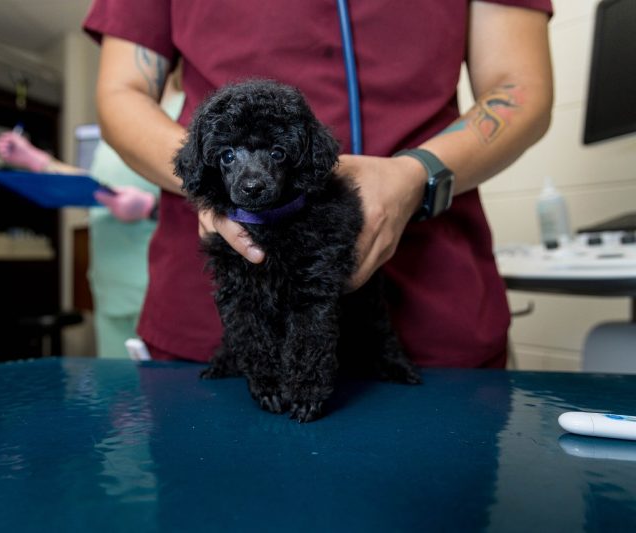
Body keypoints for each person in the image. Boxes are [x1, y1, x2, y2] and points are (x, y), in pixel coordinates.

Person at [83, 1, 554, 368]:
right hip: (214, 314)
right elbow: (122, 92)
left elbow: (519, 86)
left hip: (436, 307)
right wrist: (212, 180)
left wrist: (417, 174)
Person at [0, 71, 184, 358]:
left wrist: (150, 208)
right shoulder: (118, 115)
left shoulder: (186, 106)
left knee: (165, 393)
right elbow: (98, 182)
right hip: (110, 285)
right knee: (116, 393)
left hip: (160, 288)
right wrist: (35, 160)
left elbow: (210, 195)